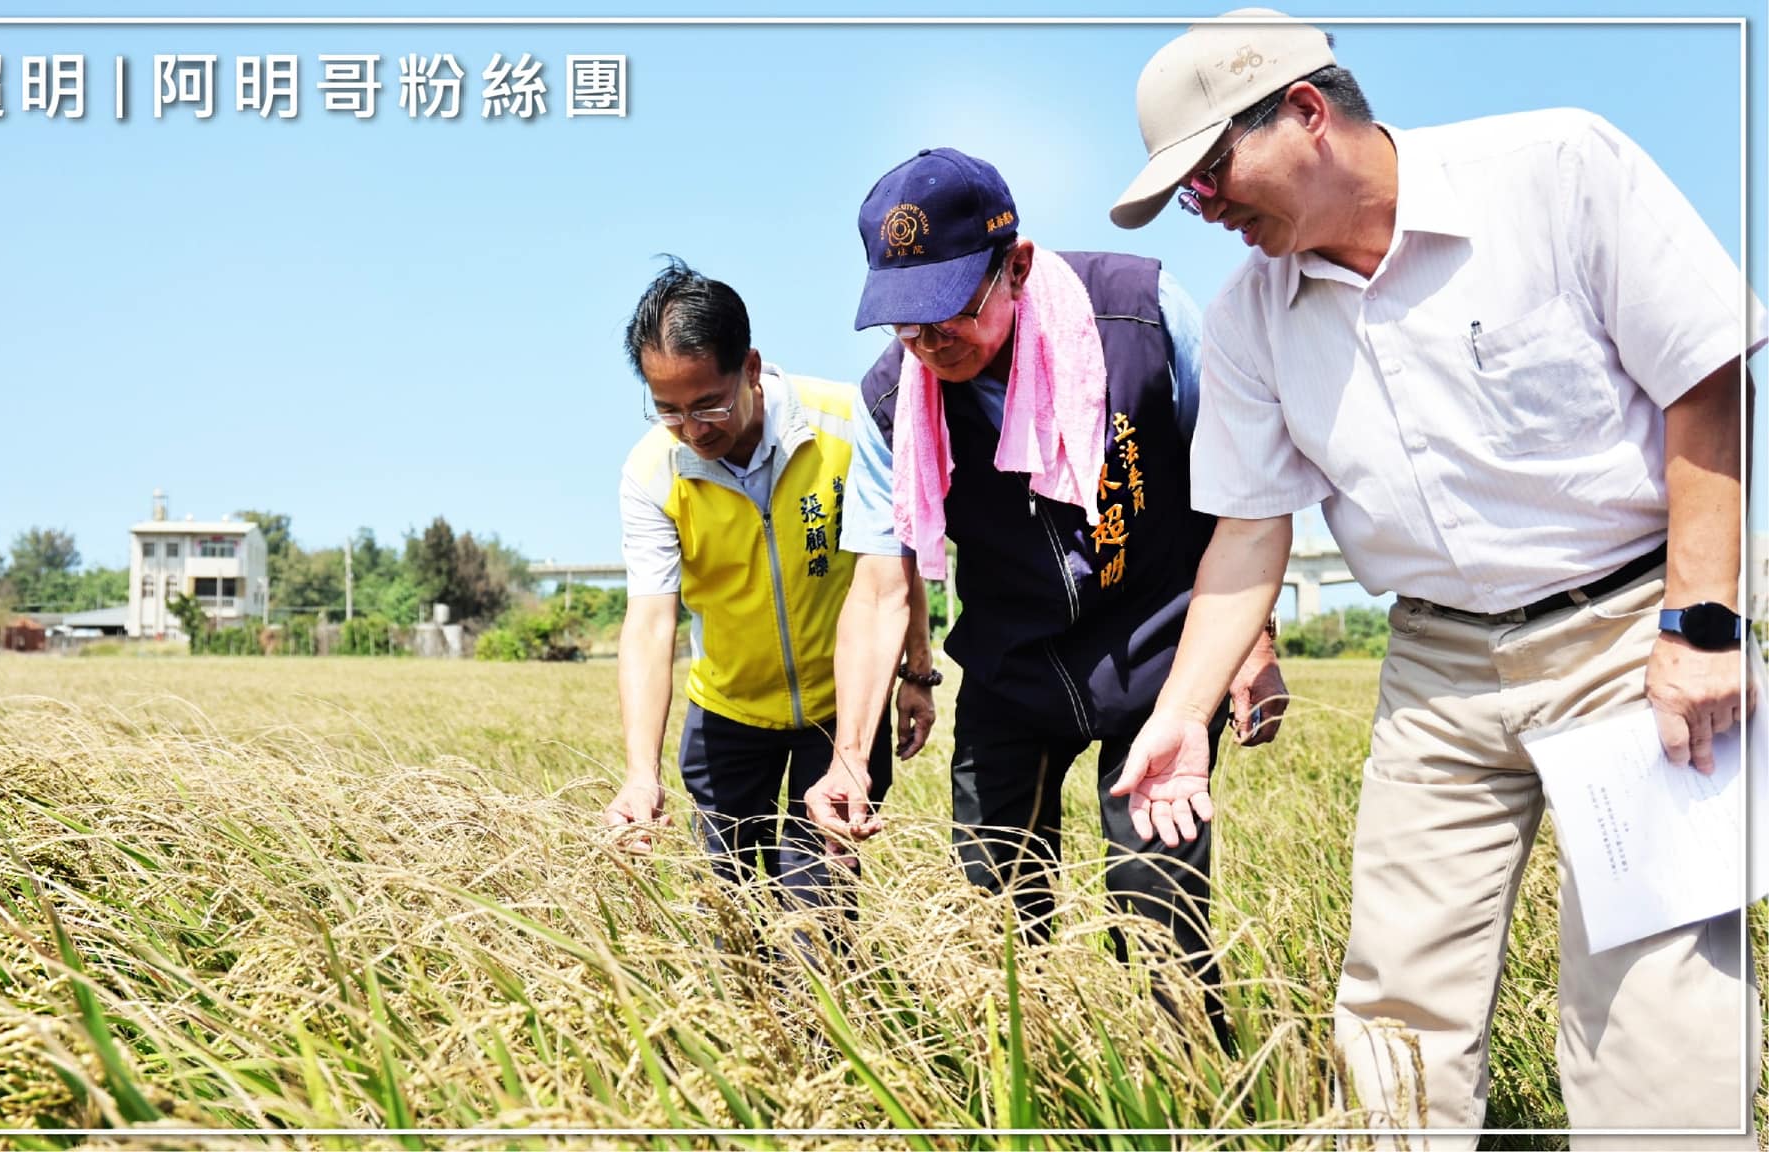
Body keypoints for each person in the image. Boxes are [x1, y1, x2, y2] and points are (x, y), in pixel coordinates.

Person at [1109, 9, 1761, 1144]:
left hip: (1622, 631)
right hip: (1436, 662)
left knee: (1650, 986)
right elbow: (1248, 537)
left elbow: (1702, 385)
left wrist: (1700, 621)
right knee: (1396, 990)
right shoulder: (1250, 317)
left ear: (1305, 114)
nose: (1202, 207)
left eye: (1209, 171)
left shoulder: (1555, 171)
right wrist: (1178, 711)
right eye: (1185, 196)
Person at [802, 148, 1288, 1044]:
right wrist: (846, 757)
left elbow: (1238, 490)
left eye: (950, 311)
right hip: (1012, 666)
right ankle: (1033, 1093)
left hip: (1159, 653)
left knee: (1157, 914)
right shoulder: (890, 405)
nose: (927, 343)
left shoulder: (1139, 313)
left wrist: (1251, 642)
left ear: (1015, 266)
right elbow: (878, 588)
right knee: (993, 920)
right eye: (904, 324)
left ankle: (1193, 1104)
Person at [606, 257, 934, 920]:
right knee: (732, 909)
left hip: (839, 709)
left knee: (819, 912)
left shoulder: (849, 423)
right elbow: (649, 625)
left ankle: (820, 1024)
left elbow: (892, 568)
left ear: (750, 368)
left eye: (709, 404)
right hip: (728, 713)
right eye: (667, 410)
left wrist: (918, 672)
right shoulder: (651, 473)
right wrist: (642, 774)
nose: (693, 430)